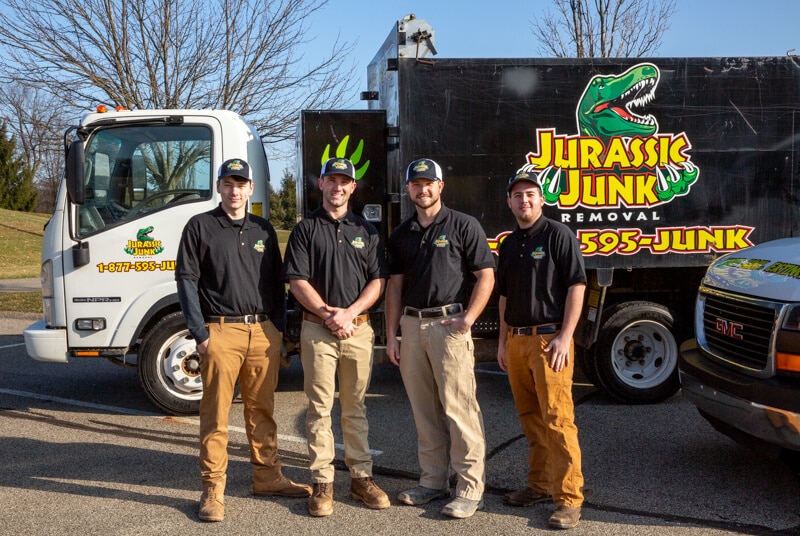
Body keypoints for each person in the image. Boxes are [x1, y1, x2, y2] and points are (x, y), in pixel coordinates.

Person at [176, 158, 311, 523]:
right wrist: (200, 334)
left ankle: (267, 477)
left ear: (251, 189)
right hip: (220, 331)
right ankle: (213, 489)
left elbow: (277, 283)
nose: (234, 191)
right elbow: (186, 281)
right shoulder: (200, 226)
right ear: (218, 187)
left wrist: (277, 327)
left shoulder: (263, 230)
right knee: (216, 414)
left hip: (262, 332)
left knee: (262, 410)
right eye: (228, 184)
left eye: (241, 185)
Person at [385, 158, 495, 519]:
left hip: (449, 326)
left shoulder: (463, 225)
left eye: (428, 183)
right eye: (416, 184)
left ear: (440, 186)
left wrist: (469, 318)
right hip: (412, 326)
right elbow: (394, 288)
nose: (423, 190)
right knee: (424, 411)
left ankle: (469, 488)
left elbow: (486, 276)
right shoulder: (401, 234)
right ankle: (433, 481)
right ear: (408, 189)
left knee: (459, 409)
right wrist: (393, 335)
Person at [283, 157, 390, 517]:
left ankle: (361, 479)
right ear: (321, 184)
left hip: (358, 330)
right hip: (318, 330)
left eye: (344, 181)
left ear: (353, 187)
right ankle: (322, 482)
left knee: (355, 407)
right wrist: (329, 315)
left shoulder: (367, 230)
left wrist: (349, 313)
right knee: (319, 408)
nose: (338, 187)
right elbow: (297, 280)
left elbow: (378, 281)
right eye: (332, 180)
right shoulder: (305, 229)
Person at [496, 169, 587, 530]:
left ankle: (569, 499)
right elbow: (504, 297)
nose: (524, 200)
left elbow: (577, 286)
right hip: (517, 341)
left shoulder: (558, 235)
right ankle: (539, 485)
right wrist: (503, 341)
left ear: (542, 199)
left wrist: (565, 336)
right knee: (531, 418)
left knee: (558, 420)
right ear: (509, 202)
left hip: (550, 341)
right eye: (518, 195)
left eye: (530, 194)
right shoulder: (508, 244)